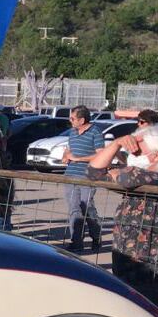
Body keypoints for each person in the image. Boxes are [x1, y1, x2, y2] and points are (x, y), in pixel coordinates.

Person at [87, 123, 158, 317]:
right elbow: (93, 172)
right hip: (128, 260)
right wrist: (116, 143)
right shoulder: (140, 180)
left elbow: (127, 176)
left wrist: (122, 171)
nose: (131, 154)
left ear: (155, 155)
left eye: (137, 150)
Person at [60, 106, 106, 252]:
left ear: (82, 120)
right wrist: (65, 156)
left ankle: (96, 235)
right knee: (74, 208)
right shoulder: (73, 132)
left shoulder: (95, 132)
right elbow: (69, 148)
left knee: (87, 207)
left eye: (72, 118)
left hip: (87, 176)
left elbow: (100, 154)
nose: (70, 120)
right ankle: (76, 241)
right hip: (71, 175)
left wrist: (79, 159)